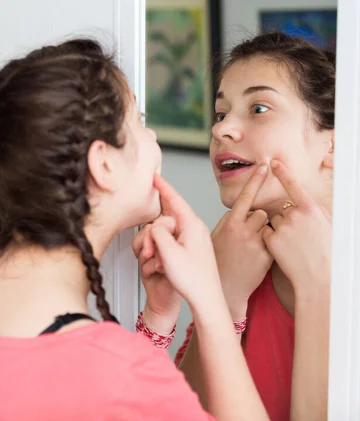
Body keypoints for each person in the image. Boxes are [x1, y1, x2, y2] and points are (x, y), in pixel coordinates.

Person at [0, 38, 269, 420]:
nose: (153, 137)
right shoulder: (115, 371)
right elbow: (111, 387)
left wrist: (159, 317)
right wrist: (213, 298)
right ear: (104, 165)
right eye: (140, 122)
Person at [135, 32, 334, 421]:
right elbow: (190, 413)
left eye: (259, 108)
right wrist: (222, 295)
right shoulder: (233, 256)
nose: (220, 130)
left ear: (333, 146)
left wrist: (318, 289)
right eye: (221, 113)